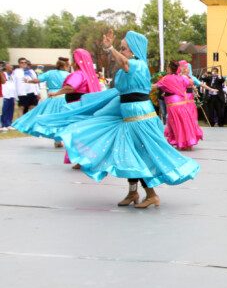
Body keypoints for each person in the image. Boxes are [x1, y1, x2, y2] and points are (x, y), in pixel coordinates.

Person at [39, 31, 200, 208]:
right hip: (127, 114)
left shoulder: (138, 65)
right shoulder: (126, 68)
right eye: (121, 48)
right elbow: (121, 85)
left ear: (134, 50)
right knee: (128, 154)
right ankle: (133, 192)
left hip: (140, 117)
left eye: (124, 48)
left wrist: (110, 48)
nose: (121, 51)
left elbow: (124, 63)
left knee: (140, 155)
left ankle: (152, 194)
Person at [10, 56, 71, 145]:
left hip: (51, 100)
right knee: (64, 119)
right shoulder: (68, 75)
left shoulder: (50, 73)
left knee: (49, 118)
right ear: (66, 66)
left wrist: (29, 81)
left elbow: (37, 80)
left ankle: (57, 140)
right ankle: (61, 139)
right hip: (63, 99)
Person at [155, 60, 202, 150]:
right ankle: (186, 142)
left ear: (169, 68)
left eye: (167, 67)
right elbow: (190, 83)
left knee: (176, 123)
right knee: (184, 123)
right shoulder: (182, 78)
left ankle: (180, 142)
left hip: (173, 104)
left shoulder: (166, 78)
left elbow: (156, 86)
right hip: (182, 103)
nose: (166, 69)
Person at [0, 62, 15, 131]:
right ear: (6, 67)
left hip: (12, 94)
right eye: (10, 66)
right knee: (4, 110)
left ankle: (9, 124)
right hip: (5, 94)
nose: (12, 67)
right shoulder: (3, 73)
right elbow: (4, 82)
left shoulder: (12, 74)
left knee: (10, 110)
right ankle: (3, 124)